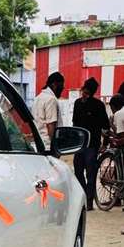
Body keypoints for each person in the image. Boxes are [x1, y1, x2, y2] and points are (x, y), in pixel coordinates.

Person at [72, 77, 110, 210]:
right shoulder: (77, 103)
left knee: (91, 174)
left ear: (92, 93)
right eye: (83, 91)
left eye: (87, 92)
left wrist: (105, 143)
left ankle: (89, 202)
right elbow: (74, 123)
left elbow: (106, 126)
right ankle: (83, 196)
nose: (84, 94)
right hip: (79, 145)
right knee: (77, 171)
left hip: (92, 145)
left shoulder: (98, 105)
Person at [32, 72, 64, 151]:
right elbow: (51, 125)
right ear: (54, 85)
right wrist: (55, 148)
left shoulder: (37, 98)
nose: (63, 88)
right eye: (61, 85)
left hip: (37, 144)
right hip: (48, 146)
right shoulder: (51, 99)